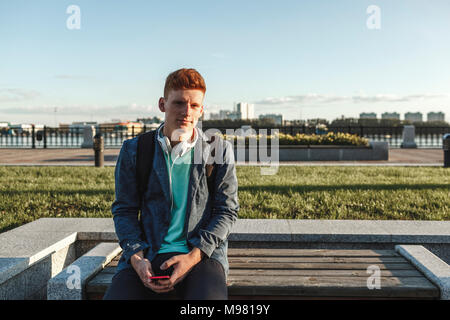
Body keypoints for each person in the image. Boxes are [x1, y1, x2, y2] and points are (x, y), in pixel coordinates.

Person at [103, 68, 239, 300]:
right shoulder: (135, 150)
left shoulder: (218, 150)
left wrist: (193, 257)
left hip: (201, 256)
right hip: (147, 253)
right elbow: (124, 211)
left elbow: (226, 211)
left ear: (201, 109)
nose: (187, 112)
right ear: (162, 104)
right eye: (179, 103)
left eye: (194, 105)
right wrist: (136, 258)